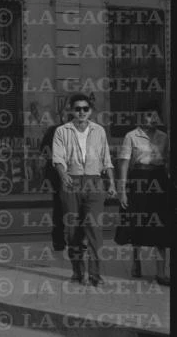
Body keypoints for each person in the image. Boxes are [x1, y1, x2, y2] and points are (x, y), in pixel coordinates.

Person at [51, 94, 116, 287]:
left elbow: (107, 160)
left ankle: (95, 275)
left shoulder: (99, 131)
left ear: (91, 111)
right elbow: (58, 158)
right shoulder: (62, 131)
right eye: (77, 108)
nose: (81, 112)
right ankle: (78, 272)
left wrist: (111, 184)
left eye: (85, 109)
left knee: (95, 230)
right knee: (73, 231)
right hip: (71, 181)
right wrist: (63, 175)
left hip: (94, 182)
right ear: (72, 110)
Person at [117, 103, 170, 285]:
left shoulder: (164, 137)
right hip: (138, 179)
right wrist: (122, 190)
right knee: (137, 221)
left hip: (160, 180)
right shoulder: (131, 136)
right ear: (141, 117)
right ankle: (136, 261)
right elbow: (124, 164)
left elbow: (169, 162)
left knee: (162, 225)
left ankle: (161, 273)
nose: (152, 119)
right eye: (148, 115)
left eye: (155, 115)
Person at [40, 107, 66, 251]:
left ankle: (68, 240)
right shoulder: (53, 131)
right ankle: (59, 240)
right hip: (58, 175)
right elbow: (44, 150)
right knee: (60, 208)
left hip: (76, 175)